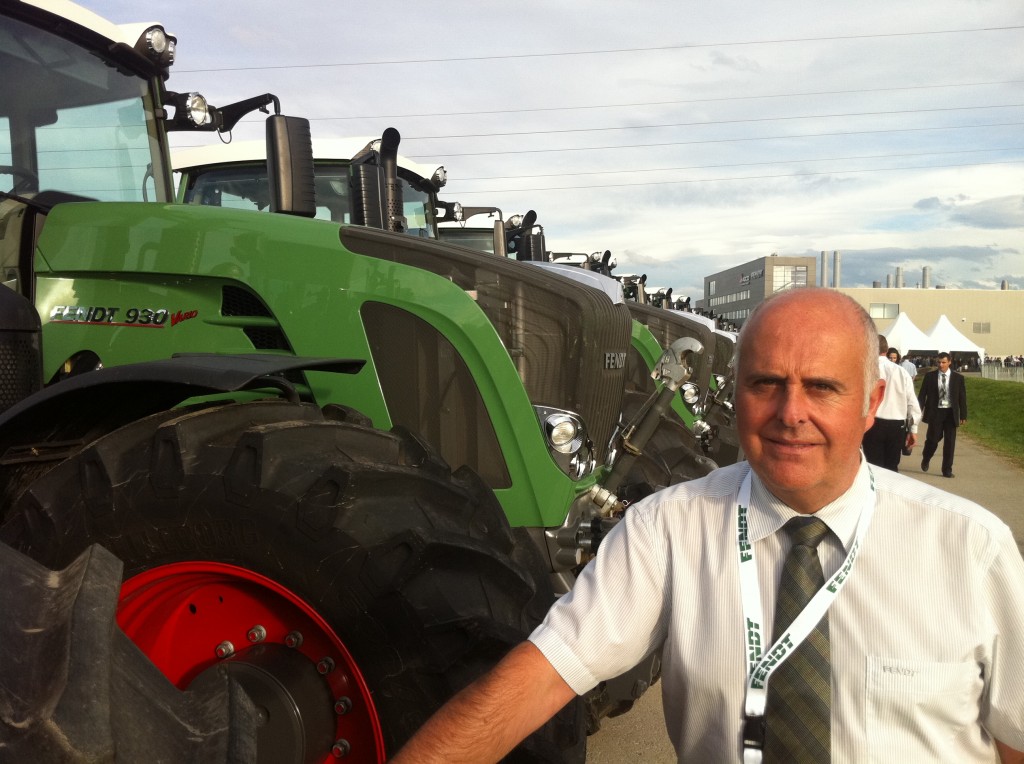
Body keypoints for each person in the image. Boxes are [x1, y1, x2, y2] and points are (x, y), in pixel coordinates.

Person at [391, 289, 1024, 764]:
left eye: (822, 387)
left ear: (871, 404)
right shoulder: (667, 530)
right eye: (766, 384)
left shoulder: (971, 550)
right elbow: (532, 683)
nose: (790, 413)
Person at [862, 338, 921, 471]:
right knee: (892, 466)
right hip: (896, 425)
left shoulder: (867, 370)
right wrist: (913, 429)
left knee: (873, 465)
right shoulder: (902, 372)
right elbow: (912, 402)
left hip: (873, 422)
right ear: (886, 351)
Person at [918, 351, 968, 478]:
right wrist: (918, 410)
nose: (941, 365)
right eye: (939, 362)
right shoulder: (930, 377)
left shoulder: (958, 378)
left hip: (951, 413)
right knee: (933, 440)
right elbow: (923, 394)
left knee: (950, 443)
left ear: (949, 362)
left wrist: (963, 415)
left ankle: (947, 470)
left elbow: (962, 397)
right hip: (936, 412)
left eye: (944, 362)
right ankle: (926, 457)